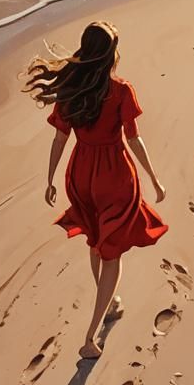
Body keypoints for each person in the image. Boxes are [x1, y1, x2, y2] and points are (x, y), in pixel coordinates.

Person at [23, 21, 168, 359]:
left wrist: (49, 179)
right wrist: (154, 177)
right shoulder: (120, 91)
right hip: (114, 175)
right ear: (110, 54)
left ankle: (111, 301)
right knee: (112, 253)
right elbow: (133, 139)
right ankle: (91, 336)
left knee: (96, 240)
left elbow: (60, 139)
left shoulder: (71, 90)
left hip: (80, 175)